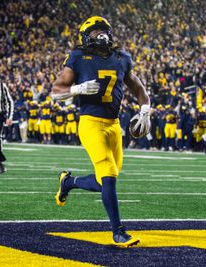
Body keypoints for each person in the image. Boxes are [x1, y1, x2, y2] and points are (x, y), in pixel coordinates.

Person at [51, 16, 150, 248]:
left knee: (105, 180)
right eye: (94, 32)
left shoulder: (122, 57)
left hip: (114, 125)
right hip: (91, 122)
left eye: (103, 31)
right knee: (108, 174)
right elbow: (55, 91)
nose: (100, 35)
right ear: (86, 37)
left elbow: (137, 87)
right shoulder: (78, 57)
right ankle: (118, 231)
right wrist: (77, 88)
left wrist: (145, 109)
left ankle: (69, 182)